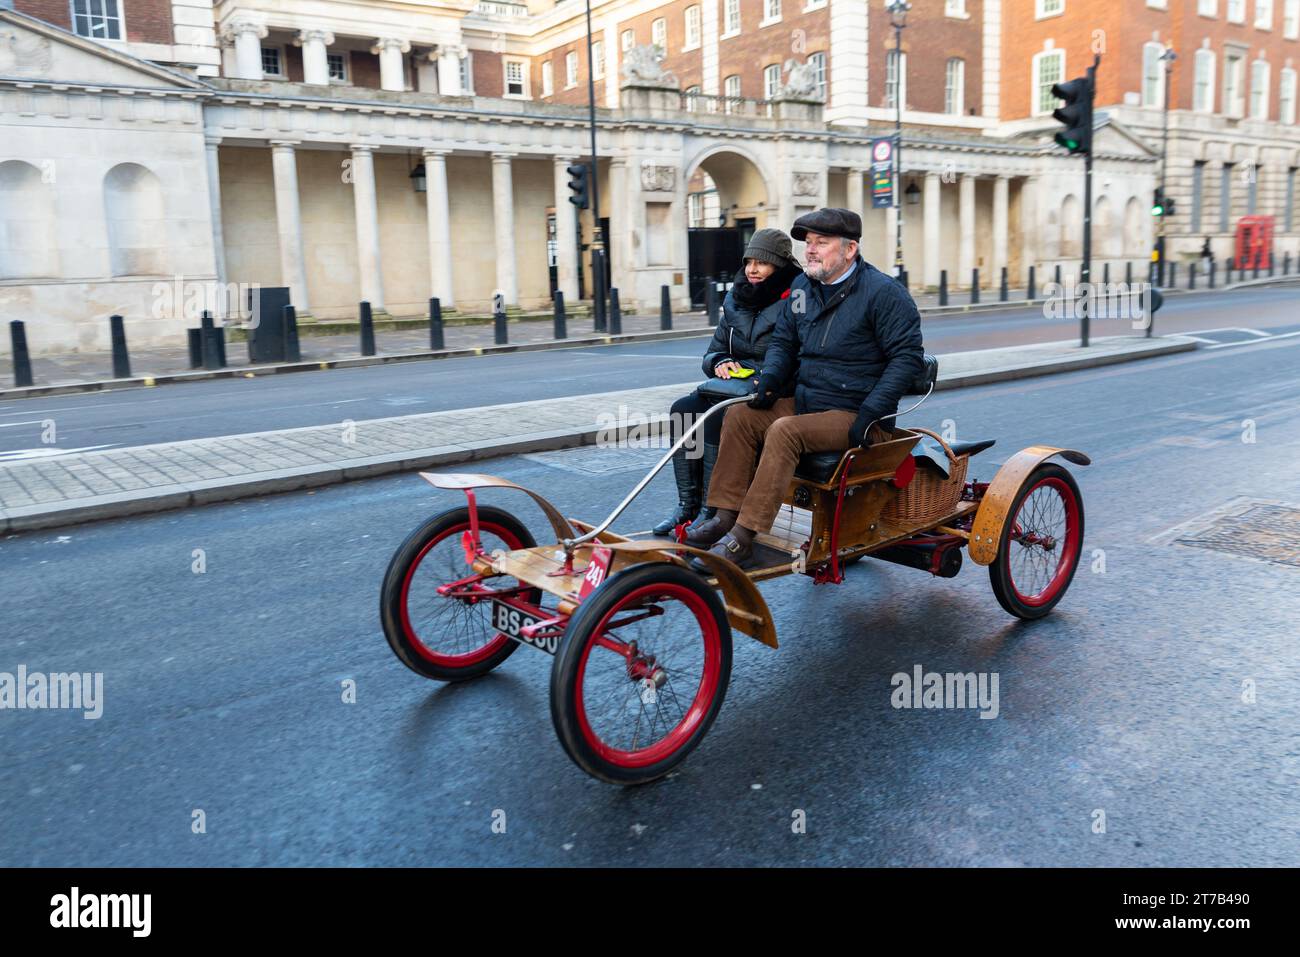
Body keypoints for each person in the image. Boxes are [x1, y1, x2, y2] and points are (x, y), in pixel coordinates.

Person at [686, 207, 925, 569]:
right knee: (741, 416)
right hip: (809, 402)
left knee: (784, 431)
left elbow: (907, 359)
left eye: (822, 243)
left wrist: (872, 413)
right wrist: (769, 384)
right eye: (808, 243)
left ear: (850, 250)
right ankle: (724, 515)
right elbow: (783, 342)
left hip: (856, 411)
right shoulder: (803, 288)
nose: (810, 250)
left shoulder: (883, 294)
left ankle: (744, 538)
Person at [652, 229, 802, 536]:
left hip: (769, 389)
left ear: (780, 266)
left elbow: (793, 356)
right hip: (732, 385)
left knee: (715, 418)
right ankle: (687, 505)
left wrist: (766, 377)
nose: (752, 269)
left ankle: (711, 509)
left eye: (762, 262)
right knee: (683, 410)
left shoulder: (795, 300)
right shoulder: (736, 299)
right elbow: (712, 352)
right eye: (749, 261)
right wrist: (720, 362)